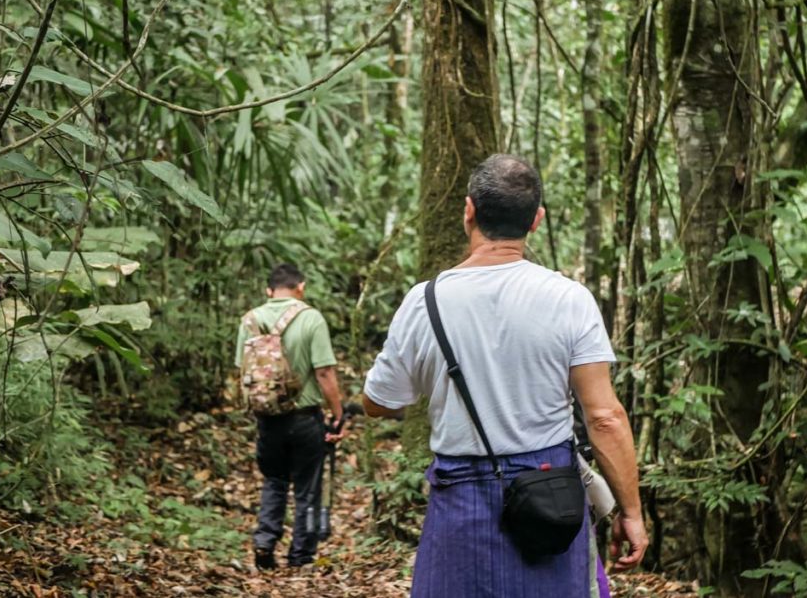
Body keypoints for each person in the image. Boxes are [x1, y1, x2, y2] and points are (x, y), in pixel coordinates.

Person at [362, 154, 647, 597]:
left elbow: (380, 401)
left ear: (469, 210)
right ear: (537, 220)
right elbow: (605, 416)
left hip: (461, 497)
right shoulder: (569, 299)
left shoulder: (425, 301)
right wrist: (630, 511)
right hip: (550, 496)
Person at [234, 263, 346, 570]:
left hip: (267, 420)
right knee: (308, 489)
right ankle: (300, 556)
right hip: (305, 418)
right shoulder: (311, 318)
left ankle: (264, 543)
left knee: (274, 481)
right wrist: (338, 415)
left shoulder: (250, 319)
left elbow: (241, 370)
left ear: (269, 291)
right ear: (301, 287)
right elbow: (324, 372)